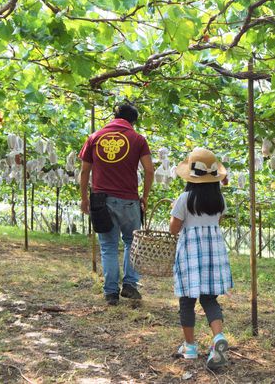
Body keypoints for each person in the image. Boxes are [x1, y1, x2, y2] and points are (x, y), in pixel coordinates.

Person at [79, 103, 154, 306]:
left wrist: (84, 198)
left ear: (115, 116)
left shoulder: (94, 137)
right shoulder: (138, 139)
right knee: (133, 242)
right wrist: (144, 196)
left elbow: (85, 171)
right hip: (129, 199)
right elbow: (149, 170)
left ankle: (111, 292)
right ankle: (129, 284)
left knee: (108, 246)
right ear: (133, 121)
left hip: (100, 200)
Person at [169, 148, 233, 370]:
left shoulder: (184, 199)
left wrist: (175, 214)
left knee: (186, 301)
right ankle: (217, 339)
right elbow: (217, 222)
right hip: (213, 254)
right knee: (209, 299)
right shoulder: (220, 200)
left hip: (190, 254)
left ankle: (190, 347)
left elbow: (173, 229)